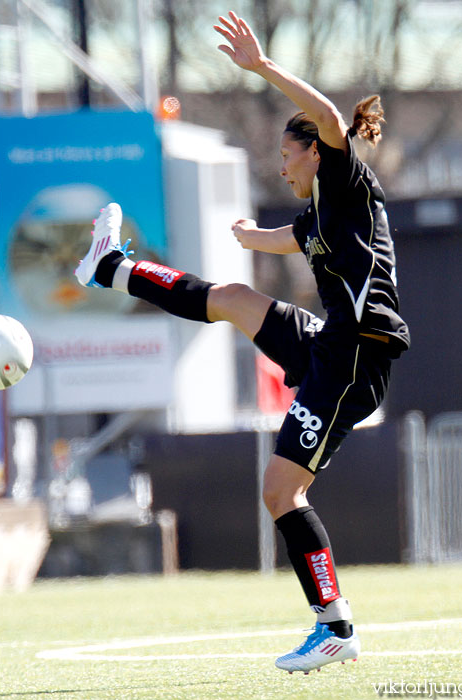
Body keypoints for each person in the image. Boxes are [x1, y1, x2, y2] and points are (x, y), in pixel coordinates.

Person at [74, 11, 410, 674]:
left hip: (353, 361)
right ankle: (111, 266)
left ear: (316, 151)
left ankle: (334, 624)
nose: (283, 167)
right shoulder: (320, 213)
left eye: (288, 155)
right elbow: (297, 236)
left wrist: (260, 67)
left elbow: (325, 115)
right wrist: (256, 238)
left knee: (281, 494)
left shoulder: (345, 181)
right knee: (229, 298)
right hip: (330, 345)